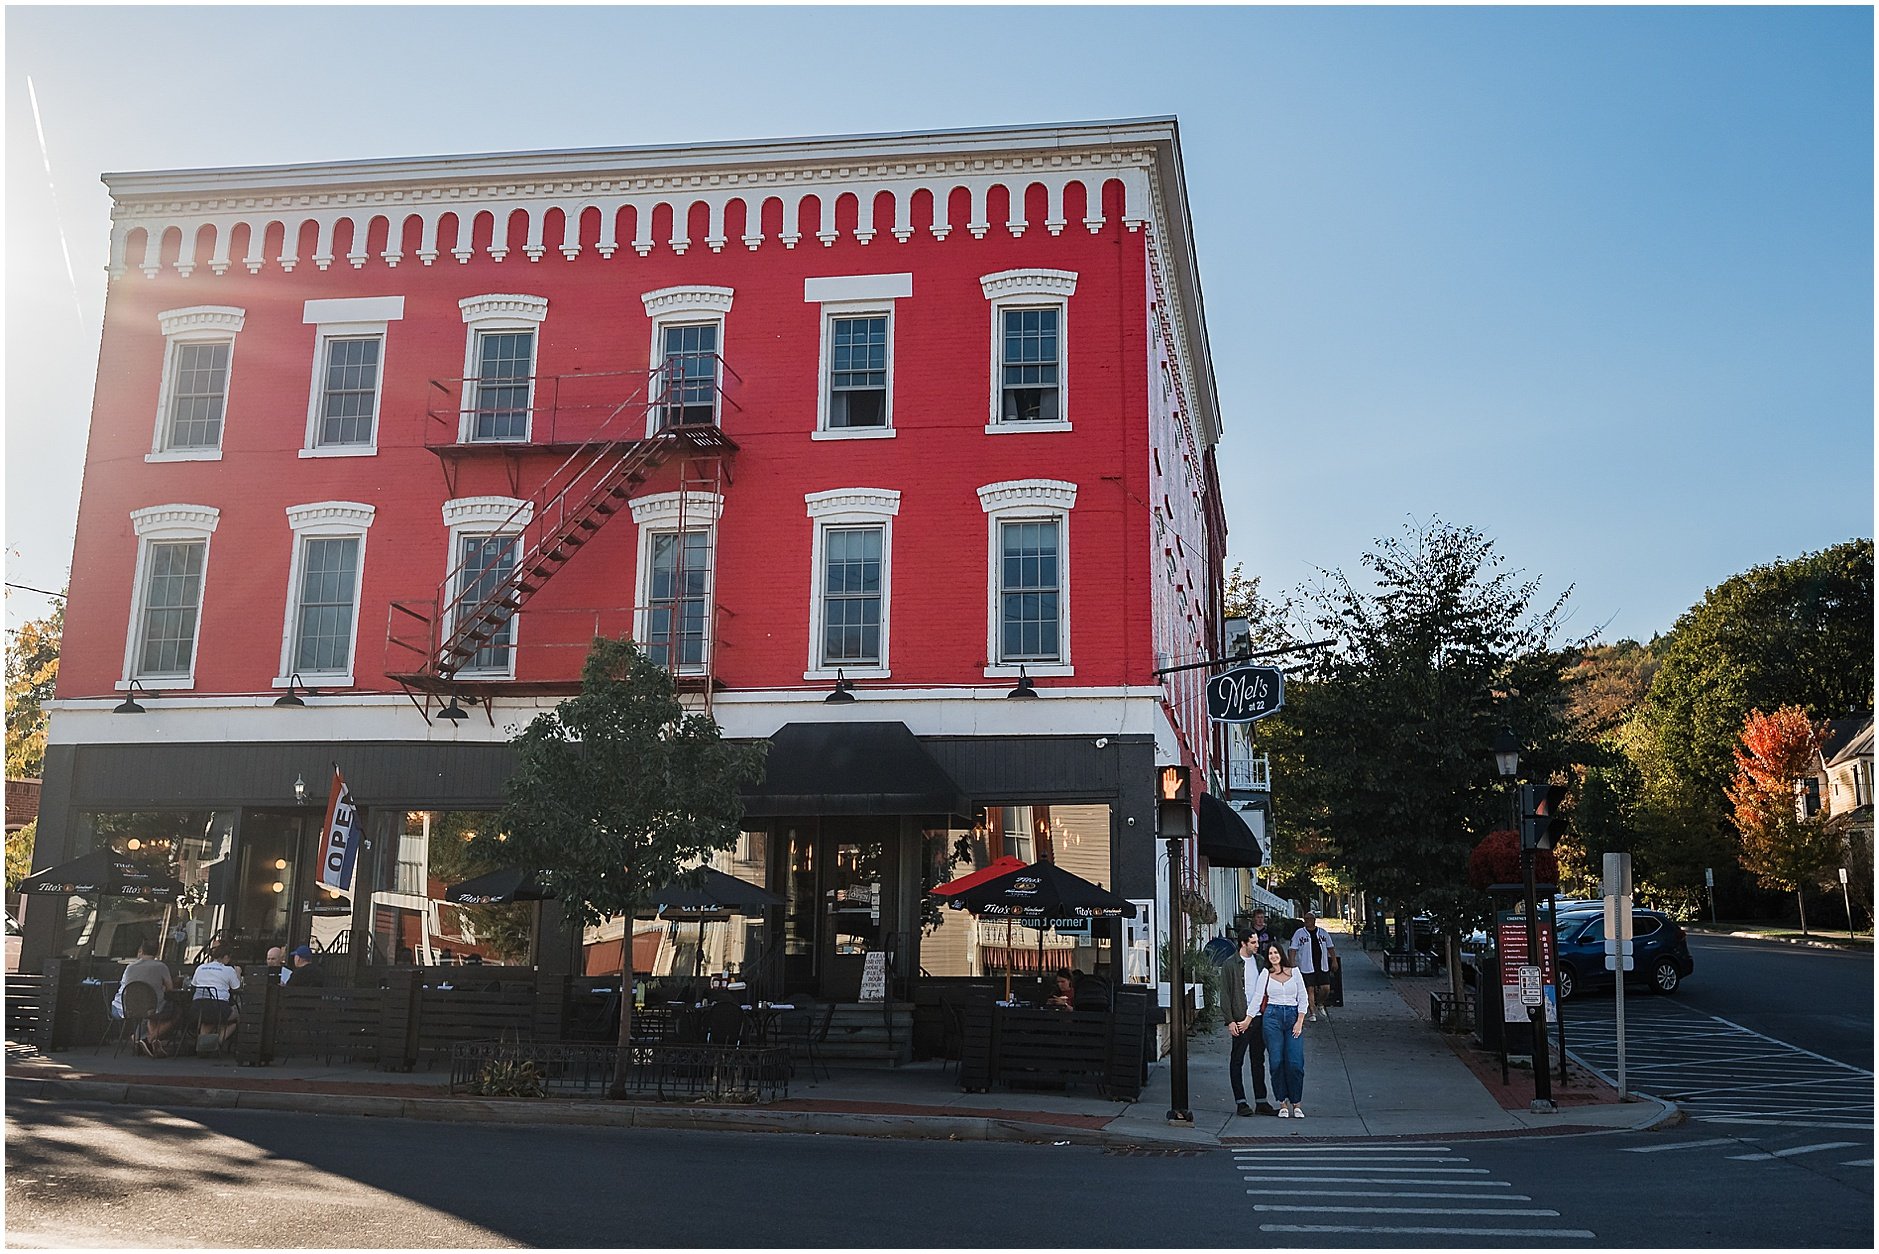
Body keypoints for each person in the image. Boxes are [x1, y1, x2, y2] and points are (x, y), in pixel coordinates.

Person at [1220, 929, 1276, 1117]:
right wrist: (1229, 1020)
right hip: (1240, 1018)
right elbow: (1225, 994)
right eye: (1253, 942)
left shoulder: (1260, 961)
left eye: (1257, 942)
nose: (1257, 945)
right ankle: (1241, 1101)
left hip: (1259, 1017)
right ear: (1243, 943)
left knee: (1258, 1059)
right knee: (1237, 1060)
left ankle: (1261, 1100)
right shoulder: (1231, 965)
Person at [1255, 940, 1309, 1118]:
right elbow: (1257, 997)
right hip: (1272, 1018)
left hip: (1293, 1017)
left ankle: (1297, 1103)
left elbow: (1303, 997)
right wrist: (1248, 1018)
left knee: (1295, 1063)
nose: (1273, 956)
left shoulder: (1295, 972)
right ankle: (1283, 1102)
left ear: (1281, 954)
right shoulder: (1265, 974)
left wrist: (1300, 1020)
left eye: (1276, 953)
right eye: (1270, 954)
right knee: (1276, 1062)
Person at [1289, 909, 1339, 1022]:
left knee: (1326, 988)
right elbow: (1292, 949)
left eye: (1309, 919)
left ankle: (1320, 1003)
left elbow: (1330, 947)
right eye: (1305, 919)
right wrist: (1292, 963)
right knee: (1309, 989)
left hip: (1322, 965)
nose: (1307, 921)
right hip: (1306, 966)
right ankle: (1312, 1012)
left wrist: (1334, 960)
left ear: (1314, 920)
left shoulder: (1323, 933)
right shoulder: (1299, 933)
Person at [190, 945, 243, 1052]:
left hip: (198, 1008)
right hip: (218, 1009)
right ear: (226, 957)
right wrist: (238, 973)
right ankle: (215, 1043)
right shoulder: (228, 970)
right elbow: (237, 988)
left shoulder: (200, 968)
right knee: (237, 1017)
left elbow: (193, 985)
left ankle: (202, 1045)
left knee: (208, 1021)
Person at [112, 941, 173, 1022]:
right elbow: (170, 989)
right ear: (157, 952)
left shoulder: (130, 967)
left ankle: (141, 1033)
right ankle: (152, 1034)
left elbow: (125, 987)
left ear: (141, 950)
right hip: (152, 1011)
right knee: (173, 1009)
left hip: (124, 1010)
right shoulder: (161, 967)